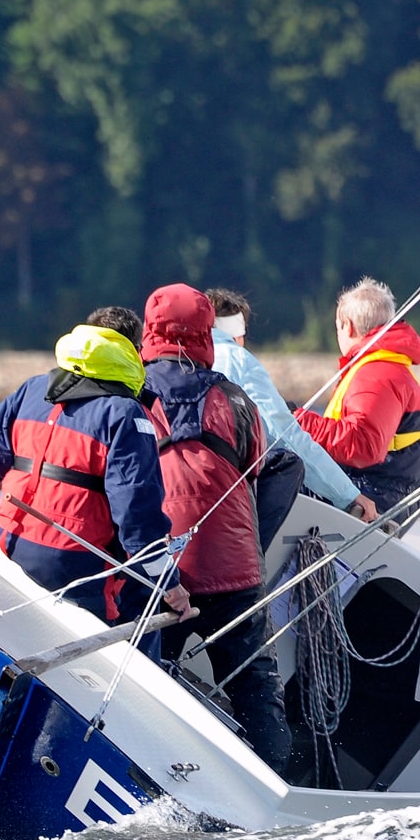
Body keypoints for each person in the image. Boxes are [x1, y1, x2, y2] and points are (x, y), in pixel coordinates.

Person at [0, 309, 190, 629]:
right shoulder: (129, 415)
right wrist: (170, 584)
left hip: (10, 547)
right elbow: (137, 515)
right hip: (76, 569)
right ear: (132, 354)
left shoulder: (32, 389)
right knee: (145, 613)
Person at [140, 283, 294, 776]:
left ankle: (148, 779)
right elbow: (259, 469)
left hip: (162, 574)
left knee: (143, 684)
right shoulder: (236, 398)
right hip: (235, 573)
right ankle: (277, 789)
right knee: (255, 690)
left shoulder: (131, 399)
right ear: (207, 334)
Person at [205, 288, 377, 525]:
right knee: (288, 464)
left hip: (167, 488)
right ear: (237, 333)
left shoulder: (164, 361)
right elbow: (285, 436)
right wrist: (348, 496)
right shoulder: (239, 360)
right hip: (221, 496)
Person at [294, 276, 420, 513]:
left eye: (338, 327)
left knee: (269, 474)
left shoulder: (376, 373)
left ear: (347, 326)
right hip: (385, 495)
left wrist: (296, 421)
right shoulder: (387, 366)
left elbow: (363, 446)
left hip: (371, 499)